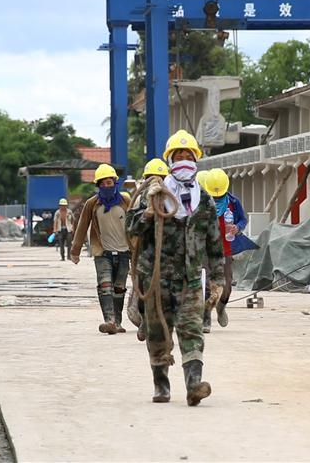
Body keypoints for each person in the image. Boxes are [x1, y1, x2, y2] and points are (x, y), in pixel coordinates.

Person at [126, 130, 224, 406]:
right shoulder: (155, 194)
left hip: (190, 279)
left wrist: (217, 280)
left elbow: (214, 244)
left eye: (188, 156)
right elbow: (131, 229)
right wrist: (146, 212)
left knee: (191, 330)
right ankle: (161, 385)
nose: (183, 160)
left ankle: (194, 385)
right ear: (169, 160)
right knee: (158, 332)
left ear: (196, 160)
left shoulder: (204, 200)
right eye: (178, 156)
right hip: (156, 277)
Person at [71, 164, 132, 335]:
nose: (107, 186)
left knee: (119, 288)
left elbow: (136, 224)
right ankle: (109, 320)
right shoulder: (92, 204)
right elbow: (82, 226)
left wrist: (138, 250)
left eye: (109, 182)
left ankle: (118, 322)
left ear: (115, 182)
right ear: (98, 186)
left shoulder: (126, 200)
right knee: (105, 286)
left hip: (124, 251)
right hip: (102, 252)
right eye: (103, 183)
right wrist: (75, 251)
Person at [200, 168, 248, 331]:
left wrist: (238, 227)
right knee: (206, 285)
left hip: (225, 250)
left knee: (226, 287)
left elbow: (243, 219)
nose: (217, 198)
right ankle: (206, 319)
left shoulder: (233, 203)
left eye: (219, 195)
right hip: (206, 251)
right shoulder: (201, 203)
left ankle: (221, 307)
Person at [128, 157, 170, 341]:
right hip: (145, 256)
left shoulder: (173, 201)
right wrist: (148, 213)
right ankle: (144, 320)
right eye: (152, 178)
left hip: (168, 257)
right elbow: (131, 228)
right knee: (144, 295)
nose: (157, 181)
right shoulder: (139, 203)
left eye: (160, 177)